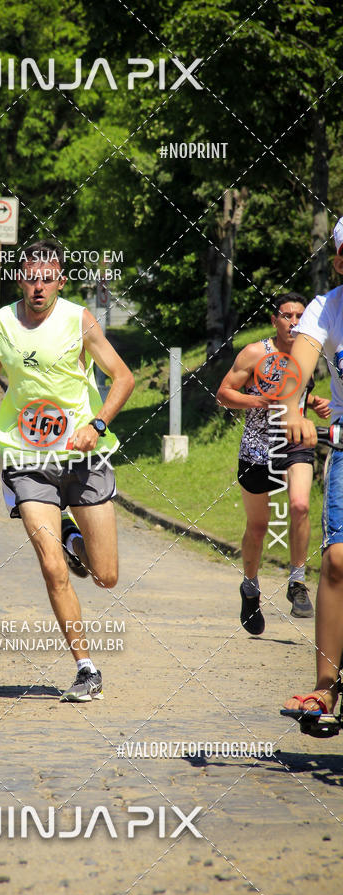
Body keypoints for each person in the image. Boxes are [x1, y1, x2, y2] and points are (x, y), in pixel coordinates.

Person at [0, 240, 134, 701]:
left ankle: (70, 533)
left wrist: (97, 425)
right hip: (27, 457)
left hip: (83, 457)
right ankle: (86, 669)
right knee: (52, 568)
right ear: (20, 278)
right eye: (31, 277)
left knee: (105, 576)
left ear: (60, 280)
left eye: (47, 278)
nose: (38, 286)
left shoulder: (79, 320)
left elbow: (123, 377)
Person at [216, 293, 330, 633]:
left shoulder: (308, 350)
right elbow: (224, 394)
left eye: (300, 316)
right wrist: (260, 401)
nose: (294, 322)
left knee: (299, 505)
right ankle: (250, 587)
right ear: (274, 320)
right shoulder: (255, 353)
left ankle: (297, 583)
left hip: (295, 444)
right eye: (287, 316)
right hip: (256, 450)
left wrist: (313, 402)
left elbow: (296, 390)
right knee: (258, 527)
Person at [282, 217, 343, 718]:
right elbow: (296, 370)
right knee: (339, 561)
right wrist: (294, 411)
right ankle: (326, 684)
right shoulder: (327, 308)